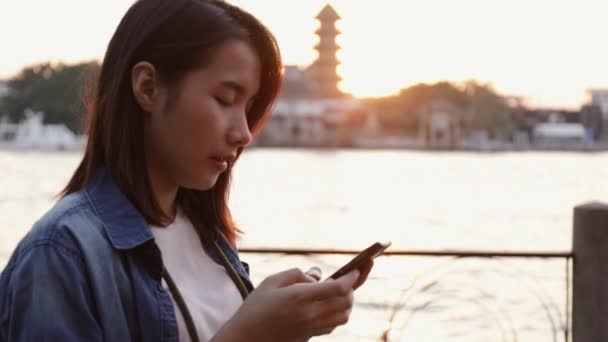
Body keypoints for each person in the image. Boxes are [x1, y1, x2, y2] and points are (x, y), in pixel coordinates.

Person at [0, 0, 373, 341]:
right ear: (148, 88)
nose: (243, 132)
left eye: (248, 107)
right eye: (225, 99)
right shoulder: (62, 254)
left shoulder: (208, 235)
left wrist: (284, 326)